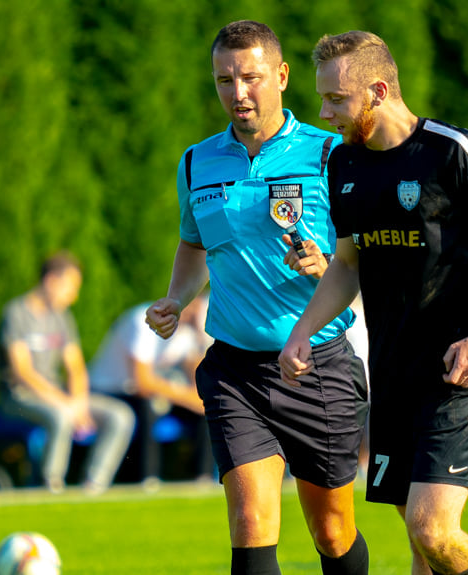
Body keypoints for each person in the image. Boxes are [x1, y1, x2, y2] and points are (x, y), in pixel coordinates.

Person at [279, 31, 468, 575]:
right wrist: (302, 331)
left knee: (433, 528)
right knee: (419, 539)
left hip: (459, 369)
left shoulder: (451, 149)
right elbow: (347, 263)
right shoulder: (344, 166)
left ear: (377, 89)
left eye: (336, 99)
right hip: (394, 373)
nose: (324, 113)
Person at [145, 20, 370, 575]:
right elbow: (194, 244)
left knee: (333, 531)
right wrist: (176, 299)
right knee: (250, 523)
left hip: (315, 366)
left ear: (283, 76)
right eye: (225, 80)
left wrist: (327, 265)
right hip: (234, 371)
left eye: (250, 77)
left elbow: (366, 254)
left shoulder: (330, 153)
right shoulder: (198, 161)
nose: (237, 93)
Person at [0, 251, 135, 494]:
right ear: (51, 281)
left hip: (60, 397)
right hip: (19, 397)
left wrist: (79, 404)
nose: (73, 296)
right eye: (70, 287)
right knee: (60, 416)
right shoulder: (16, 313)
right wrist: (65, 404)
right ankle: (51, 486)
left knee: (120, 416)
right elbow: (23, 372)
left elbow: (76, 368)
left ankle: (95, 485)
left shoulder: (62, 317)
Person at [88, 295, 214, 487]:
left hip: (149, 392)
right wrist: (186, 396)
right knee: (148, 406)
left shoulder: (189, 334)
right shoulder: (142, 320)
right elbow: (143, 382)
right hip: (112, 389)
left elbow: (198, 379)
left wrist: (200, 337)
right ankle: (147, 480)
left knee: (206, 406)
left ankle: (203, 478)